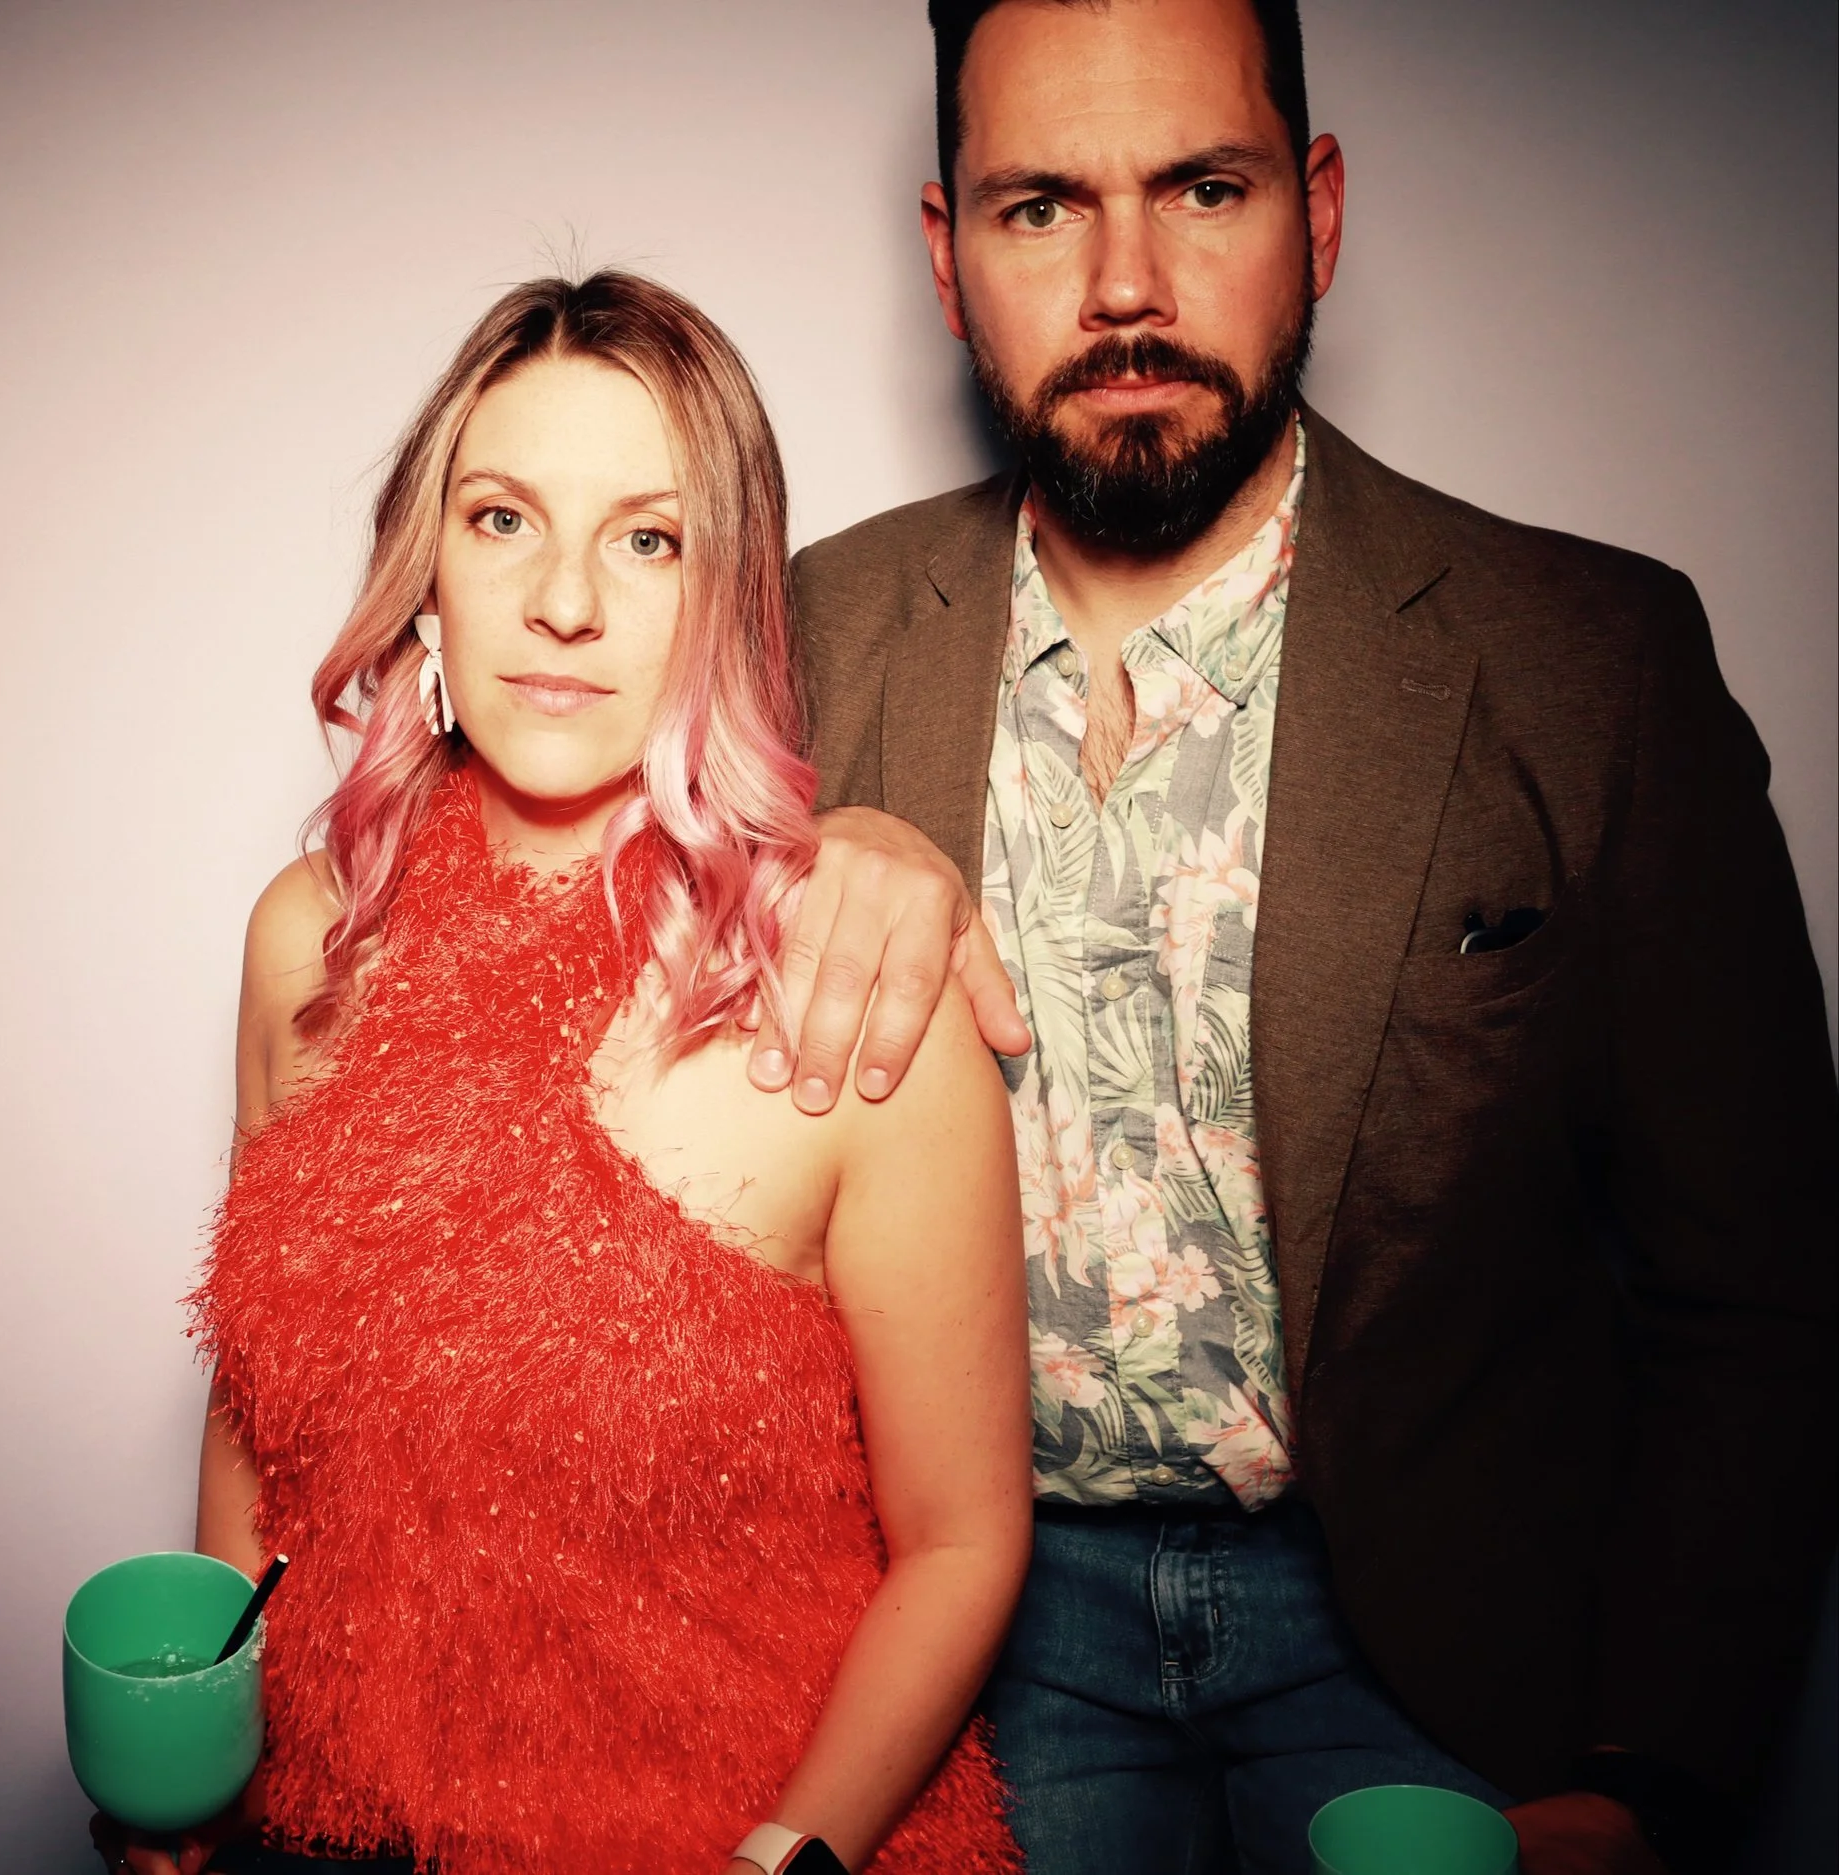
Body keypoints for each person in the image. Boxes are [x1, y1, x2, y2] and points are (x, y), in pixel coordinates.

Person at [744, 2, 1839, 1872]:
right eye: (1037, 208)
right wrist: (803, 842)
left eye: (1204, 185)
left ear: (1317, 213)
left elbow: (1761, 1287)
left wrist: (1658, 1777)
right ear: (946, 255)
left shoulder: (1594, 666)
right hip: (963, 1633)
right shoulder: (798, 639)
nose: (1125, 284)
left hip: (1439, 1638)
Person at [102, 271, 1030, 1875]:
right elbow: (259, 1391)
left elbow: (962, 1541)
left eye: (648, 537)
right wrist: (205, 1736)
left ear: (724, 591)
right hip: (322, 1830)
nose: (566, 601)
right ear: (427, 563)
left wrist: (781, 1858)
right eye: (504, 518)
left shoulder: (851, 994)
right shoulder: (302, 940)